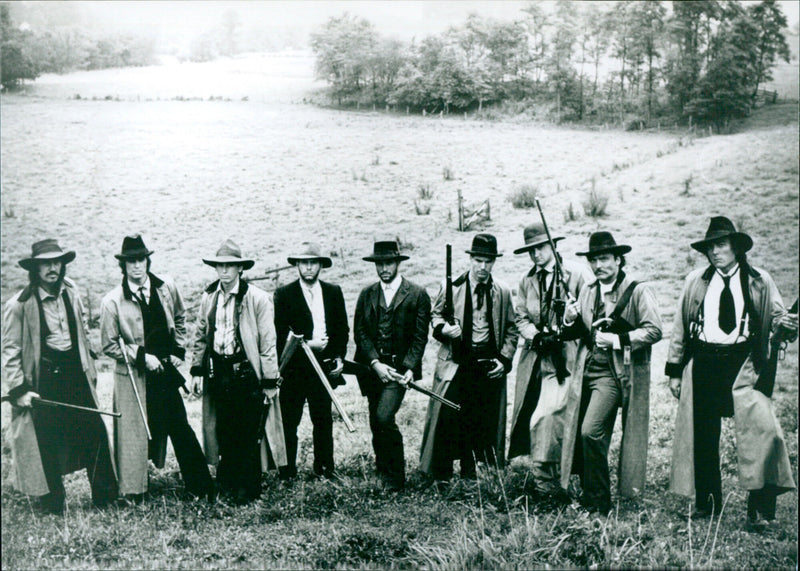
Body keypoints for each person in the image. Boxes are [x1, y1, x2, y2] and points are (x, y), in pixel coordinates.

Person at [666, 216, 797, 529]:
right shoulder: (695, 281)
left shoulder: (760, 280)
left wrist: (788, 328)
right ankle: (707, 504)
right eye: (710, 246)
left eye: (721, 245)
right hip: (703, 363)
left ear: (736, 248)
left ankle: (761, 511)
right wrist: (674, 370)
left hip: (744, 364)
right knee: (703, 435)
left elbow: (779, 321)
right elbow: (680, 328)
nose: (715, 252)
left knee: (764, 431)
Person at [2, 239, 117, 513]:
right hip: (44, 381)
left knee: (95, 433)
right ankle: (52, 504)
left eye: (57, 262)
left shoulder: (71, 291)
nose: (53, 268)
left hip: (75, 376)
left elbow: (82, 330)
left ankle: (107, 499)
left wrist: (89, 364)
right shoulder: (19, 304)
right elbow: (10, 350)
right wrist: (19, 390)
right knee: (46, 443)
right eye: (46, 264)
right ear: (36, 268)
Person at [101, 234, 213, 503]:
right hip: (135, 379)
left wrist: (177, 351)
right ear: (124, 266)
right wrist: (141, 357)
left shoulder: (166, 287)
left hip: (165, 374)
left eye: (141, 260)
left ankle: (201, 486)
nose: (137, 266)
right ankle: (134, 491)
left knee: (180, 426)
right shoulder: (112, 301)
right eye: (131, 262)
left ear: (147, 261)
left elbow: (180, 317)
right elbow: (108, 344)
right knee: (134, 433)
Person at [561, 232, 662, 514]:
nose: (598, 265)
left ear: (618, 259)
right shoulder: (587, 290)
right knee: (581, 433)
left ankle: (598, 502)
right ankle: (588, 490)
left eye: (604, 258)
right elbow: (579, 331)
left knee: (590, 432)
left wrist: (617, 340)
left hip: (614, 374)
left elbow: (654, 330)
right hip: (585, 371)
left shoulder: (638, 290)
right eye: (593, 259)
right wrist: (569, 318)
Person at [190, 239, 286, 504]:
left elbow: (268, 342)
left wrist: (269, 380)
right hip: (218, 371)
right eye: (220, 266)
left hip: (246, 372)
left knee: (247, 429)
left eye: (230, 266)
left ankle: (248, 486)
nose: (224, 271)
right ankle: (227, 480)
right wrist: (197, 370)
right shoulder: (209, 298)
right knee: (224, 427)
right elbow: (200, 334)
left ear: (240, 268)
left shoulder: (258, 299)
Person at [419, 233, 518, 484]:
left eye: (488, 261)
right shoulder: (452, 286)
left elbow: (512, 329)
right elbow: (435, 316)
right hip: (456, 361)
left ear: (494, 262)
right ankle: (441, 474)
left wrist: (504, 360)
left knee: (480, 418)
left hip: (486, 363)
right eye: (478, 260)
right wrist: (444, 330)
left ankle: (470, 472)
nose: (482, 267)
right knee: (449, 413)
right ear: (470, 259)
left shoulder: (503, 291)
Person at [507, 223, 592, 500]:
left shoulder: (576, 276)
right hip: (535, 360)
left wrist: (569, 322)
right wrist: (536, 336)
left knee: (548, 416)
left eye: (541, 248)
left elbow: (590, 314)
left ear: (554, 246)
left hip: (566, 360)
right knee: (537, 415)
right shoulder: (526, 281)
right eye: (531, 250)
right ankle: (551, 476)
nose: (536, 255)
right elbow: (520, 317)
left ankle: (549, 482)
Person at [353, 240, 431, 491]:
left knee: (384, 416)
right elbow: (360, 332)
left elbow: (420, 338)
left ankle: (396, 476)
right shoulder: (367, 294)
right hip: (372, 369)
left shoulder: (417, 294)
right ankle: (382, 467)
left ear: (398, 263)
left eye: (388, 263)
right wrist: (375, 362)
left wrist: (409, 368)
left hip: (398, 371)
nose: (384, 268)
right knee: (375, 420)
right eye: (379, 264)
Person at [273, 242, 348, 481]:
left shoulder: (333, 291)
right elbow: (279, 334)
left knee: (323, 420)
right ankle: (287, 471)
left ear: (320, 265)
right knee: (289, 422)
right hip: (294, 370)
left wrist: (338, 357)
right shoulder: (284, 294)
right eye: (303, 263)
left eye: (313, 263)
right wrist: (306, 344)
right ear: (296, 265)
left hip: (323, 368)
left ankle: (324, 469)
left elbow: (341, 330)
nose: (308, 267)